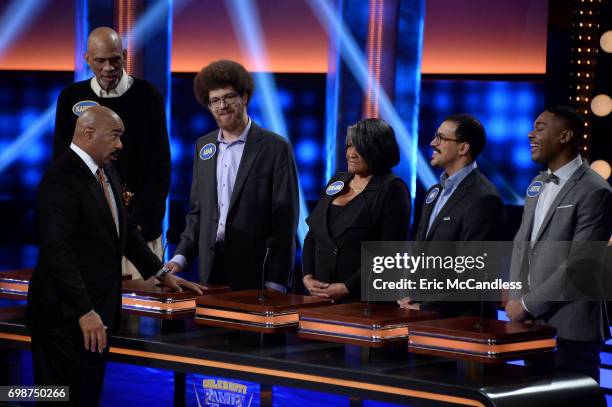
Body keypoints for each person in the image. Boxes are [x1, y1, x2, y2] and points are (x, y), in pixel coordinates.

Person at [27, 106, 202, 406]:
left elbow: (124, 232)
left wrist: (160, 272)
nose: (121, 145)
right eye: (116, 136)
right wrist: (84, 311)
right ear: (88, 133)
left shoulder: (106, 170)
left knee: (86, 395)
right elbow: (59, 251)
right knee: (59, 398)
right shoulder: (61, 177)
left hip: (98, 312)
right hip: (64, 317)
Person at [167, 60, 299, 292]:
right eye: (215, 100)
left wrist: (277, 280)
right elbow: (198, 211)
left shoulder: (275, 147)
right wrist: (180, 257)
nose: (222, 106)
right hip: (210, 267)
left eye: (229, 97)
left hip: (256, 268)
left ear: (244, 97)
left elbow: (285, 217)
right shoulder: (203, 146)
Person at [53, 26, 170, 279]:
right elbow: (63, 166)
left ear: (125, 55)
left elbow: (160, 168)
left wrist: (139, 225)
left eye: (115, 59)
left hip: (139, 232)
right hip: (86, 235)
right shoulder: (70, 97)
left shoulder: (149, 97)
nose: (108, 67)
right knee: (89, 313)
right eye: (100, 60)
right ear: (87, 59)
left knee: (133, 315)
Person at [506, 105, 612, 383]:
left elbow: (580, 265)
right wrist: (517, 298)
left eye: (540, 128)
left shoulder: (595, 189)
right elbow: (521, 244)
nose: (530, 134)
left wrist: (527, 305)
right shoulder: (537, 183)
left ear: (564, 136)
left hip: (571, 329)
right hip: (531, 326)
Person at [398, 114, 507, 317]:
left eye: (440, 138)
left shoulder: (484, 198)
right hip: (423, 314)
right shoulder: (435, 191)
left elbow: (473, 275)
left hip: (460, 320)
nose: (432, 143)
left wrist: (426, 306)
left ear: (463, 148)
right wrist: (409, 295)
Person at [302, 118, 411, 302]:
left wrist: (347, 287)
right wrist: (308, 277)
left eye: (359, 147)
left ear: (379, 150)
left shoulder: (392, 188)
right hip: (318, 298)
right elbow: (313, 235)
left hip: (362, 302)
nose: (351, 154)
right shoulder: (337, 181)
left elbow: (389, 254)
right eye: (349, 146)